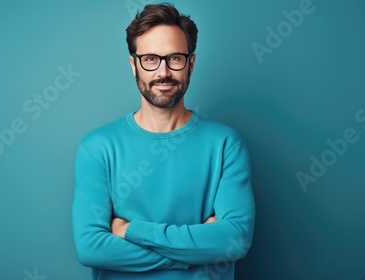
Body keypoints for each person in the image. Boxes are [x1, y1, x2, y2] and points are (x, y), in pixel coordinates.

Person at [72, 3, 255, 279]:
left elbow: (235, 240)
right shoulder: (97, 148)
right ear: (134, 65)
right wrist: (193, 255)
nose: (163, 72)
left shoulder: (226, 144)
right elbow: (91, 248)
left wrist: (130, 230)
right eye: (150, 59)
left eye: (175, 58)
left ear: (190, 63)